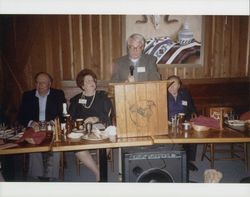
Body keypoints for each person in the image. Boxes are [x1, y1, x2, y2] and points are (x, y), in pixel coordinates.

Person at [17, 72, 66, 181]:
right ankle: (37, 172)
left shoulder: (58, 94)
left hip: (51, 127)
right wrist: (31, 123)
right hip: (35, 128)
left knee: (56, 140)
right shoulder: (28, 96)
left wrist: (53, 123)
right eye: (37, 83)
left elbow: (63, 114)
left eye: (43, 83)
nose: (39, 85)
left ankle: (50, 174)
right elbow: (20, 116)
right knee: (32, 140)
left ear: (49, 84)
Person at [69, 69, 113, 182]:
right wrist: (82, 123)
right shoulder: (76, 100)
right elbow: (71, 117)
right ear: (82, 86)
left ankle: (98, 165)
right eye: (87, 81)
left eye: (92, 80)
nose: (91, 82)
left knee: (108, 143)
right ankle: (97, 171)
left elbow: (108, 115)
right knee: (77, 148)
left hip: (100, 127)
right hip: (82, 129)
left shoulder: (102, 97)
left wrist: (95, 118)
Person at [167, 75, 198, 171]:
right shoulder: (163, 95)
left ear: (179, 85)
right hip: (168, 122)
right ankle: (171, 160)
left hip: (184, 121)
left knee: (192, 135)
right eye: (169, 84)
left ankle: (188, 161)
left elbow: (191, 108)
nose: (171, 86)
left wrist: (193, 117)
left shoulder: (185, 94)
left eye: (174, 84)